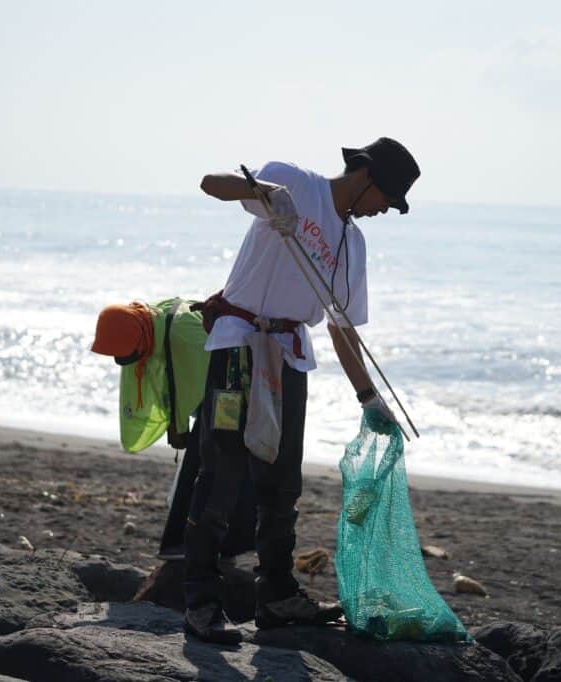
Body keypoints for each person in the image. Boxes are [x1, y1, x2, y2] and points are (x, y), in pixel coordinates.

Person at [183, 137, 420, 643]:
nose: (384, 211)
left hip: (288, 357)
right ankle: (201, 601)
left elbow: (341, 326)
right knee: (221, 472)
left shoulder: (352, 244)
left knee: (281, 483)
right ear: (366, 177)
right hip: (237, 346)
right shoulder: (293, 181)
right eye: (387, 199)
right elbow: (210, 184)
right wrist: (265, 191)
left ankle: (277, 596)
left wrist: (369, 398)